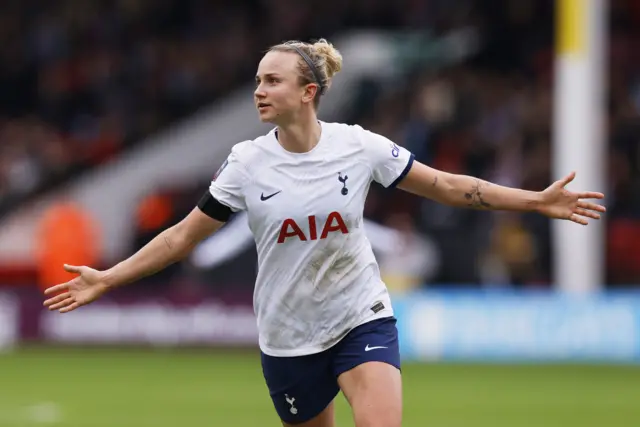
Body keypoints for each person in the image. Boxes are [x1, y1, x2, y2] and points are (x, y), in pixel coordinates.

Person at [43, 39, 606, 427]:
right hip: (288, 337)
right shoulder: (245, 163)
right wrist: (109, 278)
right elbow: (181, 238)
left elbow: (447, 187)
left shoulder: (358, 146)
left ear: (308, 91)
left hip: (361, 315)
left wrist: (534, 201)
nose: (258, 90)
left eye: (272, 80)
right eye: (257, 81)